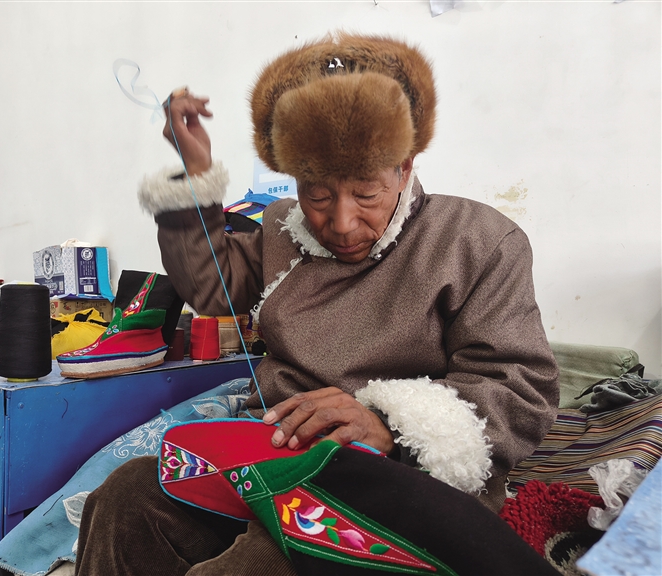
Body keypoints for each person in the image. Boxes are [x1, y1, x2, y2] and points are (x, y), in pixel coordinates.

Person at [75, 33, 560, 575]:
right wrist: (195, 176)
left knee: (255, 567)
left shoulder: (477, 240)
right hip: (275, 459)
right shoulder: (284, 229)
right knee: (125, 499)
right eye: (318, 194)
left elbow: (520, 388)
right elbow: (210, 285)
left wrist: (389, 423)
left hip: (401, 484)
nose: (342, 223)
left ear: (406, 167)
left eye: (367, 194)